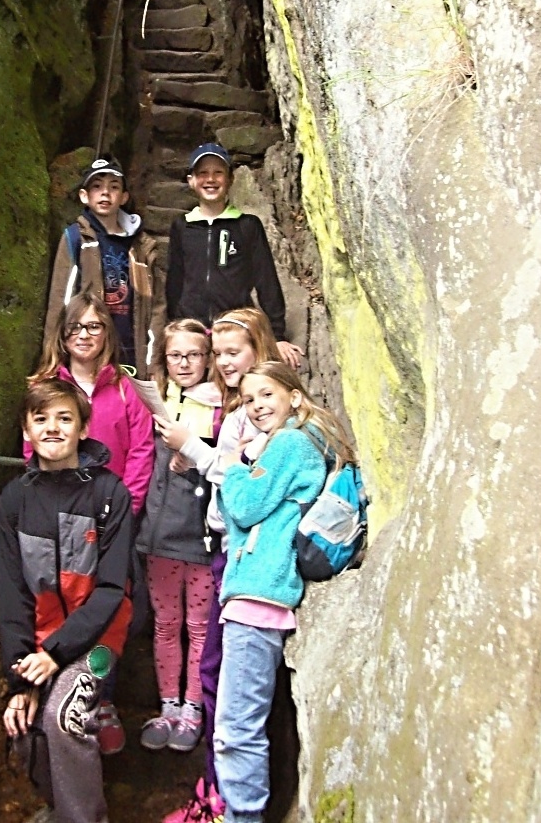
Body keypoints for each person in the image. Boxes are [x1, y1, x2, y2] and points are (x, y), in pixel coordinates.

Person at [213, 361, 356, 823]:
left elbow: (243, 507)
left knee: (236, 730)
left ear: (294, 396)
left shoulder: (291, 443)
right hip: (261, 591)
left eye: (266, 394)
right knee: (246, 724)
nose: (256, 406)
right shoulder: (292, 443)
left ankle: (243, 818)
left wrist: (233, 468)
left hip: (259, 594)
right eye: (248, 399)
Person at [154, 308, 281, 823]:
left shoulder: (262, 415)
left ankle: (223, 798)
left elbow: (248, 488)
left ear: (258, 352)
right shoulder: (236, 412)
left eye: (234, 353)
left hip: (247, 561)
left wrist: (195, 451)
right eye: (221, 354)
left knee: (222, 677)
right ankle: (214, 789)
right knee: (213, 672)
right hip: (224, 547)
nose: (225, 363)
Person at [0, 379, 135, 823]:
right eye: (41, 419)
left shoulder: (109, 493)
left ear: (83, 428)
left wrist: (54, 656)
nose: (52, 428)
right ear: (26, 430)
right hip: (42, 638)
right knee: (23, 724)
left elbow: (111, 590)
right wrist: (20, 680)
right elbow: (13, 594)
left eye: (64, 418)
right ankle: (57, 810)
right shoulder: (15, 499)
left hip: (99, 639)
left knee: (64, 716)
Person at [29, 290, 155, 755]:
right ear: (63, 336)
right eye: (76, 327)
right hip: (60, 524)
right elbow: (34, 451)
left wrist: (125, 508)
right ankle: (58, 694)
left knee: (113, 613)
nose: (85, 335)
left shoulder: (124, 388)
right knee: (62, 608)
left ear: (107, 334)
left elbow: (141, 450)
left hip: (113, 521)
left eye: (94, 326)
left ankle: (101, 699)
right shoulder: (47, 385)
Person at [136, 319, 222, 754]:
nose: (185, 363)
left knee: (200, 627)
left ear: (207, 359)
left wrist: (194, 456)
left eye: (193, 355)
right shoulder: (156, 401)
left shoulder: (222, 405)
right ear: (164, 360)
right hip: (160, 536)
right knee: (166, 623)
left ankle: (194, 708)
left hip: (202, 538)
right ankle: (168, 705)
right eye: (176, 356)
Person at [165, 142, 302, 369]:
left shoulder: (247, 225)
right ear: (191, 180)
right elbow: (174, 280)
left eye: (218, 172)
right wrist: (174, 326)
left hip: (235, 328)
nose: (210, 179)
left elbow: (266, 279)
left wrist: (277, 335)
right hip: (193, 330)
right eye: (203, 173)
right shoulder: (182, 227)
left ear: (230, 179)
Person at [44, 155, 166, 379]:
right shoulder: (76, 238)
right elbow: (61, 300)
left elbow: (156, 306)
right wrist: (53, 359)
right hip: (87, 348)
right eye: (97, 186)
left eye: (114, 187)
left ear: (124, 197)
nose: (105, 193)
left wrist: (153, 362)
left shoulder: (141, 245)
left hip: (131, 348)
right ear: (84, 196)